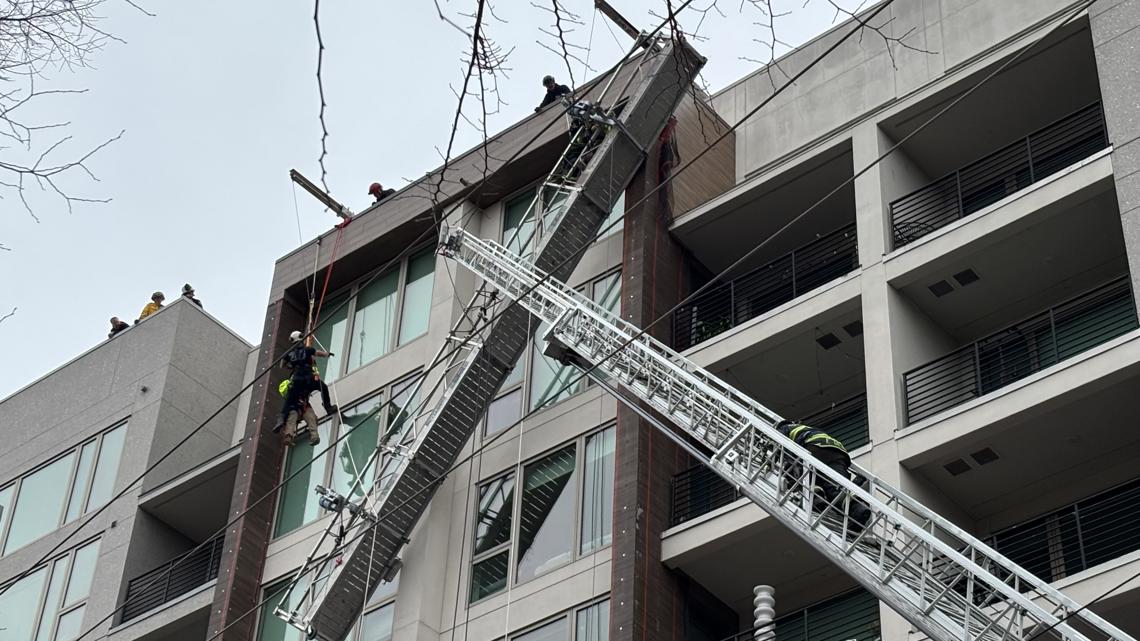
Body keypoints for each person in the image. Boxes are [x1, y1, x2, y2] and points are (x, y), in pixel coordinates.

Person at [775, 419, 871, 530]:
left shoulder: (785, 428)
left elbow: (778, 443)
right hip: (838, 453)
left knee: (798, 471)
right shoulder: (809, 429)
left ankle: (816, 496)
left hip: (815, 448)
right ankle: (858, 510)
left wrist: (770, 462)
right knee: (835, 490)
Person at [273, 330, 338, 432]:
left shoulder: (289, 353)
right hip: (309, 379)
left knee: (290, 399)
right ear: (301, 338)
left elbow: (282, 365)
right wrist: (327, 354)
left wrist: (291, 366)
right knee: (323, 387)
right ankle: (328, 407)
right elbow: (318, 353)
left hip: (297, 380)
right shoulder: (307, 350)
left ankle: (281, 419)